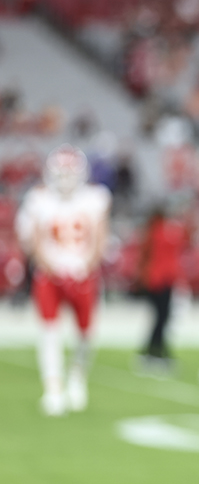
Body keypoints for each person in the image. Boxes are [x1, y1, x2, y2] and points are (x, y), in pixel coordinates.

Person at [15, 144, 111, 416]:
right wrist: (52, 267)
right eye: (61, 173)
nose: (65, 179)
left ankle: (77, 378)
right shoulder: (39, 199)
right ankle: (53, 388)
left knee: (85, 334)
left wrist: (86, 266)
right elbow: (33, 241)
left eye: (70, 173)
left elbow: (100, 237)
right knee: (49, 332)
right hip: (50, 275)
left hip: (84, 274)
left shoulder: (95, 197)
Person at [134, 204, 187, 374]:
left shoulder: (153, 231)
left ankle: (155, 351)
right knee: (162, 317)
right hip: (161, 280)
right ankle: (155, 352)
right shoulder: (162, 231)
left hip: (156, 279)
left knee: (160, 317)